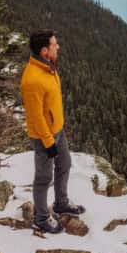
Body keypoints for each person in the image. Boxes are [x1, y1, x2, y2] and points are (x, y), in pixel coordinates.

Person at [21, 30, 84, 234]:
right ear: (45, 50)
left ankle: (61, 203)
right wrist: (48, 143)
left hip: (58, 130)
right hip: (43, 137)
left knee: (64, 164)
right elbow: (36, 117)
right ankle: (41, 217)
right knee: (43, 178)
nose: (58, 47)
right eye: (55, 45)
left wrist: (58, 128)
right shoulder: (32, 79)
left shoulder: (48, 68)